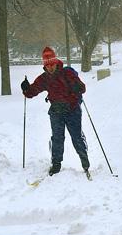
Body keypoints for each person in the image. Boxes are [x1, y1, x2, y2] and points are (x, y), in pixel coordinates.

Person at [21, 46, 90, 177]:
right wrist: (26, 88)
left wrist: (77, 87)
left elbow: (82, 88)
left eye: (52, 64)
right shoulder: (44, 78)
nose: (50, 67)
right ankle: (56, 164)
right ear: (45, 65)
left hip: (72, 109)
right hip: (56, 111)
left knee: (76, 137)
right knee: (57, 138)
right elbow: (32, 92)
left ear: (56, 62)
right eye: (47, 65)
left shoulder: (67, 73)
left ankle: (84, 161)